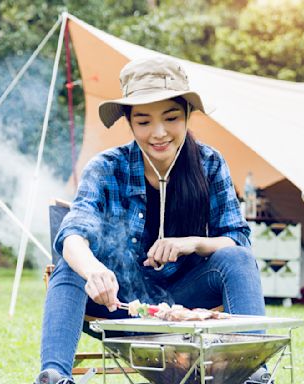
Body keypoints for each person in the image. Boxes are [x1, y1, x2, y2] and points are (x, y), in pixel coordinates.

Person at [33, 57, 266, 384]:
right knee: (70, 264)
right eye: (143, 122)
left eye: (170, 117)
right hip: (117, 302)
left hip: (184, 300)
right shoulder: (106, 167)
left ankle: (252, 372)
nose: (159, 133)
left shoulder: (210, 163)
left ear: (187, 114)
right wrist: (95, 270)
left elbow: (237, 238)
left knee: (237, 258)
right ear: (129, 122)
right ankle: (54, 376)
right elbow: (73, 235)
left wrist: (192, 244)